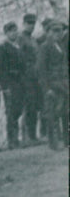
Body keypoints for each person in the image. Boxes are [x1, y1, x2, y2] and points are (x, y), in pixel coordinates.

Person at [36, 20, 69, 151]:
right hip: (52, 85)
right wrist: (47, 88)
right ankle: (53, 143)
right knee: (52, 114)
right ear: (48, 32)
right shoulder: (45, 47)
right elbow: (41, 70)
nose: (58, 33)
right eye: (54, 31)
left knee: (66, 112)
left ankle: (67, 141)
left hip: (63, 84)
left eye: (60, 30)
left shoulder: (60, 46)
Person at [0, 22, 27, 150]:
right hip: (10, 82)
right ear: (6, 33)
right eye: (11, 31)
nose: (14, 33)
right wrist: (5, 87)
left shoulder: (18, 47)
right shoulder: (2, 48)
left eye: (15, 30)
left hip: (19, 82)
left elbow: (23, 65)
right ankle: (12, 139)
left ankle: (16, 137)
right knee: (11, 110)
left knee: (18, 109)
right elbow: (0, 69)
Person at [17, 13, 41, 144]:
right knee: (28, 105)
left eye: (33, 24)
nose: (32, 26)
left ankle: (33, 135)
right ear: (24, 23)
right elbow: (19, 58)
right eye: (29, 23)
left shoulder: (33, 39)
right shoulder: (21, 38)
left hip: (34, 76)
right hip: (26, 77)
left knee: (34, 105)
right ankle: (25, 136)